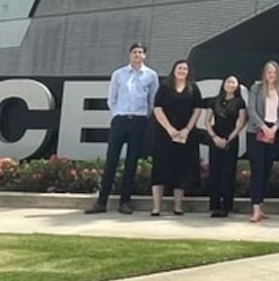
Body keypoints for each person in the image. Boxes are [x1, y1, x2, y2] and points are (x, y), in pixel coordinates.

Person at [88, 42, 159, 215]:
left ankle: (125, 202)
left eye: (140, 52)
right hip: (120, 120)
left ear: (145, 56)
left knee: (131, 163)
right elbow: (111, 98)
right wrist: (117, 114)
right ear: (130, 55)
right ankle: (101, 202)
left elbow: (153, 100)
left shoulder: (151, 75)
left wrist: (144, 115)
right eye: (134, 52)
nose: (137, 55)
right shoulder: (118, 74)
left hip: (139, 121)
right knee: (111, 160)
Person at [150, 60, 202, 217]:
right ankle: (156, 208)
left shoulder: (193, 88)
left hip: (185, 136)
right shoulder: (165, 87)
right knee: (160, 170)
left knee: (181, 170)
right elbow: (157, 109)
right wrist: (170, 129)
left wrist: (186, 130)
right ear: (174, 70)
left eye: (185, 68)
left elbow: (197, 110)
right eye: (179, 68)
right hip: (164, 135)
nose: (182, 71)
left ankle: (178, 207)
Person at [245, 61, 279, 223]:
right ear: (264, 73)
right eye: (268, 72)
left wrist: (275, 128)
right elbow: (251, 110)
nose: (271, 75)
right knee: (257, 170)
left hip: (275, 132)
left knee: (266, 169)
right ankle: (255, 208)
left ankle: (261, 205)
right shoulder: (256, 88)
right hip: (257, 131)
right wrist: (264, 127)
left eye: (274, 72)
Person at [205, 74, 247, 218]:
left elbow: (241, 122)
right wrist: (214, 137)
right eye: (228, 82)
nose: (230, 84)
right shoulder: (214, 101)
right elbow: (207, 121)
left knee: (228, 172)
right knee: (215, 171)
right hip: (215, 138)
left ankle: (226, 206)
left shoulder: (240, 102)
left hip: (231, 138)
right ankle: (214, 205)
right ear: (223, 84)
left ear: (237, 86)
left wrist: (229, 138)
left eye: (233, 82)